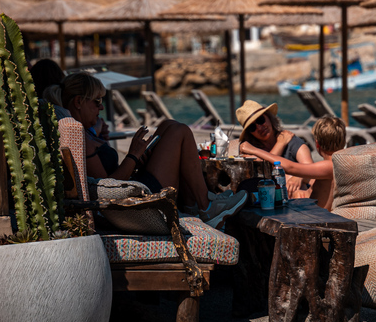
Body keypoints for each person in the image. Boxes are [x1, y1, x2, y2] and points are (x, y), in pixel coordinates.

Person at [50, 72, 246, 228]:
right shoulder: (80, 138)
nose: (101, 108)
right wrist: (134, 155)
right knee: (180, 131)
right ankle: (206, 207)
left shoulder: (84, 133)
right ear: (78, 102)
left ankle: (195, 203)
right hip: (129, 205)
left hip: (130, 190)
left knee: (167, 126)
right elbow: (108, 188)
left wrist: (125, 150)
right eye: (97, 101)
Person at [240, 116, 346, 211]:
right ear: (344, 142)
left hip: (318, 218)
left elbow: (290, 167)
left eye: (260, 120)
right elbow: (321, 192)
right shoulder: (342, 162)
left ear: (317, 144)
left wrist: (254, 150)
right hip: (320, 213)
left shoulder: (329, 165)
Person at [236, 100, 314, 194]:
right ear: (249, 133)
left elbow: (310, 167)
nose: (260, 128)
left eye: (261, 120)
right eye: (252, 127)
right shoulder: (249, 149)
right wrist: (280, 144)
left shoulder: (290, 140)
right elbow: (265, 169)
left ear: (269, 117)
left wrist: (298, 177)